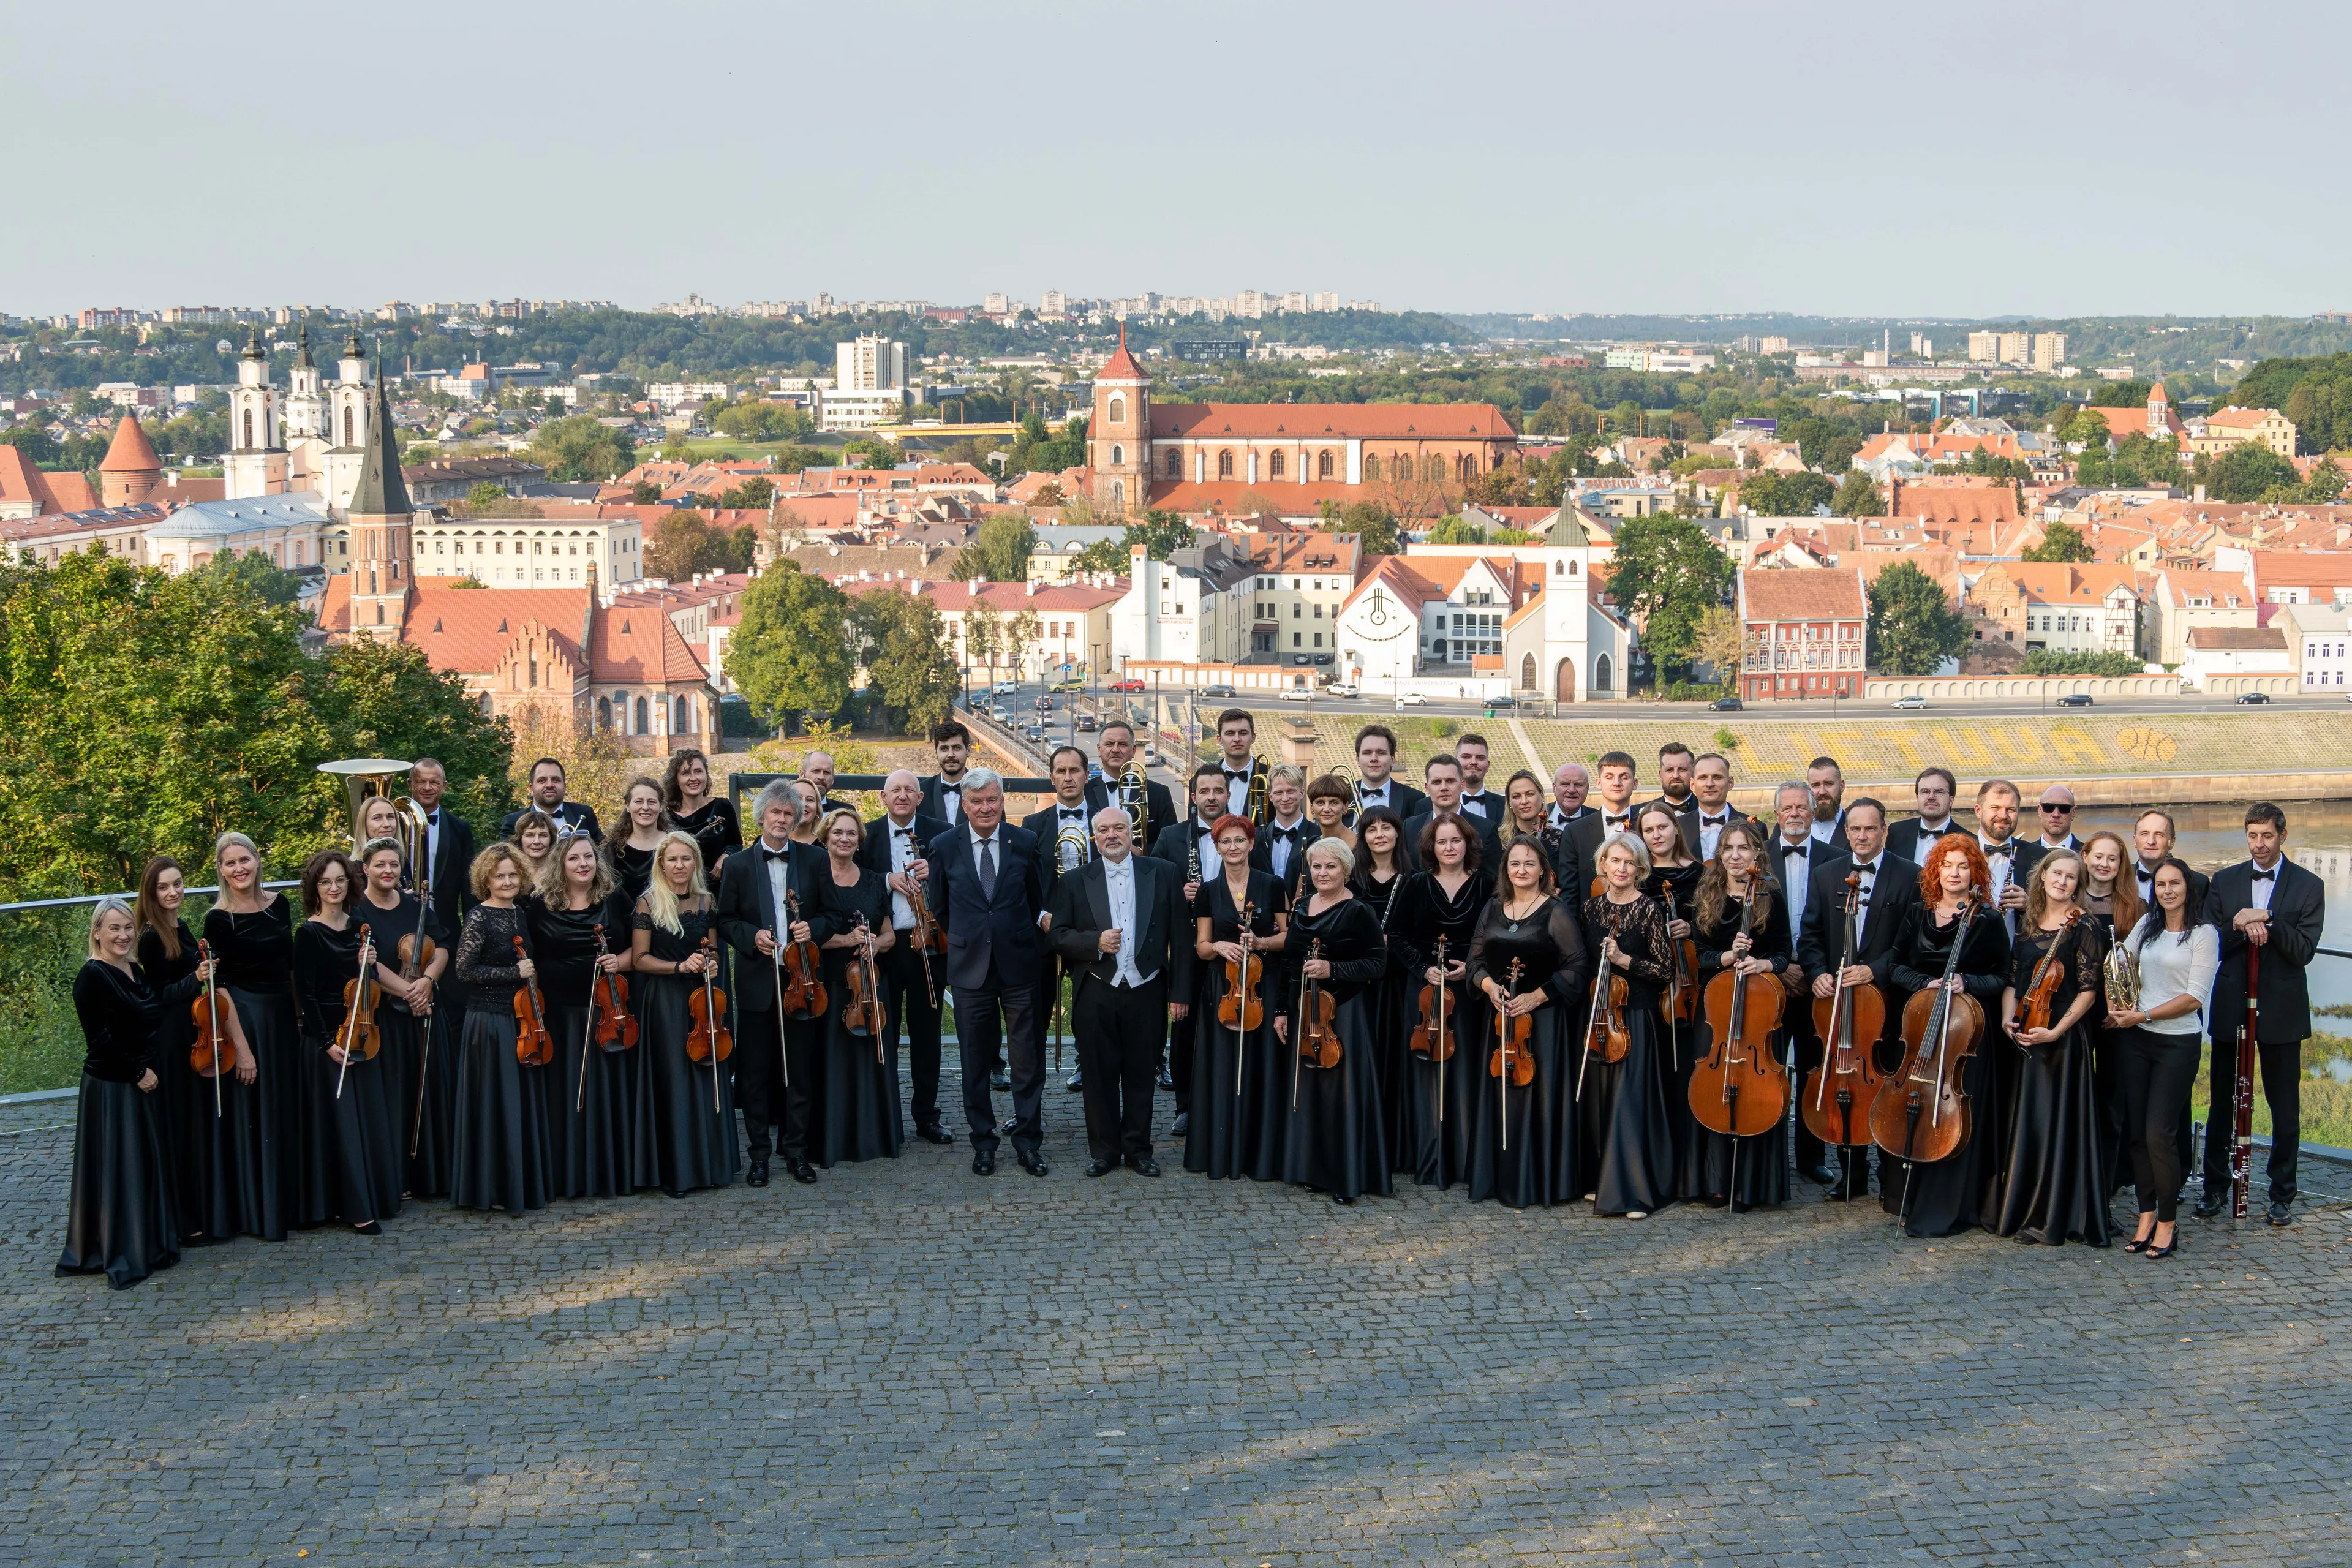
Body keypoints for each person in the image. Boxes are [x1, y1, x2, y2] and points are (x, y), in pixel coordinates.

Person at [58, 897, 207, 1288]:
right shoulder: (92, 976)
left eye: (127, 928)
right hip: (113, 1088)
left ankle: (151, 1240)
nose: (123, 936)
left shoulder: (134, 969)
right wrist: (138, 1072)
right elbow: (100, 1041)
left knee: (141, 1166)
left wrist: (196, 980)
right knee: (121, 1169)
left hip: (144, 1082)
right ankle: (124, 1247)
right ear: (97, 933)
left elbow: (154, 1009)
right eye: (113, 929)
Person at [2196, 802, 2324, 1227]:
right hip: (2232, 1003)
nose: (2259, 844)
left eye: (2267, 836)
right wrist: (2241, 925)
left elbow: (2303, 950)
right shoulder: (2225, 880)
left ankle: (2281, 1195)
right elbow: (2211, 940)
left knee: (2285, 1107)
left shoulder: (2310, 885)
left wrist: (2268, 918)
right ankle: (2215, 1188)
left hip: (2283, 1009)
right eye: (2252, 836)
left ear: (2282, 836)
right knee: (2222, 1102)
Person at [1050, 805, 1195, 1177]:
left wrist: (1179, 993)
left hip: (1147, 988)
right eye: (1103, 830)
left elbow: (1180, 938)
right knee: (1097, 1076)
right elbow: (1058, 935)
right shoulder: (1075, 880)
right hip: (1096, 990)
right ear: (1094, 837)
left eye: (1119, 828)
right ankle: (1104, 1152)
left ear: (1132, 833)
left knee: (1141, 1073)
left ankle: (1138, 1149)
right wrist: (1095, 942)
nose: (1111, 835)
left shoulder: (1163, 873)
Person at [1883, 835, 2012, 1236]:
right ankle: (1908, 1194)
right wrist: (1928, 982)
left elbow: (2003, 976)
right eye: (1947, 865)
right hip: (1923, 1027)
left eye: (1963, 866)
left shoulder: (1987, 920)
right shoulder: (1917, 913)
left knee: (1959, 1113)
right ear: (1935, 870)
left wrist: (1965, 981)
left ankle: (1958, 1204)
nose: (1954, 873)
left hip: (1965, 1035)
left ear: (1975, 873)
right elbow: (1894, 966)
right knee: (1916, 1109)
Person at [1793, 797, 1920, 1200]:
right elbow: (1810, 935)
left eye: (1870, 829)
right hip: (1838, 1003)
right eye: (1854, 829)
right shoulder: (1826, 873)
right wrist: (1817, 975)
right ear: (1845, 832)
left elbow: (1911, 942)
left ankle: (1888, 1176)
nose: (1862, 836)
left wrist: (1876, 970)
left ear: (1885, 831)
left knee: (1884, 1085)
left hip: (1889, 1001)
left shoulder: (1910, 876)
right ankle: (1851, 1174)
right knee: (1845, 1083)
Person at [925, 767, 1051, 1177]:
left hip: (1020, 966)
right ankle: (983, 1143)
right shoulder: (944, 845)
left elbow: (1037, 901)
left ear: (1002, 800)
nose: (985, 808)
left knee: (1026, 1060)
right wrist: (968, 939)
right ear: (965, 805)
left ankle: (1028, 1143)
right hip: (969, 970)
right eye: (976, 801)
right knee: (975, 1062)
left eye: (992, 800)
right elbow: (940, 907)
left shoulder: (1025, 842)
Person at [134, 856, 254, 1247]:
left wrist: (205, 970)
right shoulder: (150, 937)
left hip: (193, 1034)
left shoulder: (180, 926)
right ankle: (184, 1221)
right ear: (151, 893)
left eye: (178, 884)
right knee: (181, 1129)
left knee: (196, 1126)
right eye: (164, 887)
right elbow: (155, 997)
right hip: (170, 1042)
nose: (173, 892)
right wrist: (196, 978)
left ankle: (203, 1212)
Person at [1994, 850, 2112, 1247]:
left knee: (2055, 1126)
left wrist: (2056, 1031)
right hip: (2025, 1033)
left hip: (2061, 1041)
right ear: (2042, 877)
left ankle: (2052, 1218)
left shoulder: (2085, 926)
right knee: (2029, 1124)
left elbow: (2089, 991)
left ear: (2078, 885)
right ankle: (2021, 1207)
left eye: (2070, 877)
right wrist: (2007, 1021)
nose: (2062, 881)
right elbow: (2013, 980)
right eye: (2056, 873)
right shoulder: (2027, 924)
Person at [1464, 839, 1588, 1209]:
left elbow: (1578, 967)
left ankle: (1539, 1181)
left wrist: (1536, 996)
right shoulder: (1492, 908)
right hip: (1501, 1021)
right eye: (1514, 864)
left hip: (1543, 1025)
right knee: (1503, 1096)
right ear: (1505, 870)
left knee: (1540, 1099)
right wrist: (1488, 986)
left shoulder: (1556, 911)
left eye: (1529, 864)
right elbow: (1475, 961)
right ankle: (1497, 1177)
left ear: (1543, 871)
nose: (1521, 870)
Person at [2106, 859, 2218, 1261]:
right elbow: (2118, 964)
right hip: (2136, 1039)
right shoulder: (2148, 925)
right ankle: (2146, 1216)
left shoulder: (2203, 935)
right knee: (2137, 1134)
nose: (2167, 890)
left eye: (2174, 883)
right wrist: (2117, 1002)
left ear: (2189, 887)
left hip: (2177, 1043)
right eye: (2160, 884)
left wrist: (2145, 1013)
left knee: (2160, 1134)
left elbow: (2194, 997)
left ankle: (2168, 1222)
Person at [290, 849, 402, 1234]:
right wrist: (326, 1045)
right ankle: (352, 1208)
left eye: (340, 880)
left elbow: (367, 989)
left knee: (367, 1120)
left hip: (362, 1033)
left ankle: (373, 1196)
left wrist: (370, 964)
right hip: (327, 1042)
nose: (334, 888)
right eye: (326, 882)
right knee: (340, 1126)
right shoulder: (307, 933)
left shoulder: (359, 928)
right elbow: (305, 996)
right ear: (315, 888)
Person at [717, 782, 820, 1187]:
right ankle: (758, 1155)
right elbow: (725, 921)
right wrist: (751, 937)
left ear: (797, 819)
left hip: (802, 979)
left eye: (788, 814)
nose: (781, 819)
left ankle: (796, 1151)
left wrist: (815, 927)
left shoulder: (814, 859)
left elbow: (830, 913)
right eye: (775, 813)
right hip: (759, 981)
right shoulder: (740, 865)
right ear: (761, 818)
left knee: (799, 1071)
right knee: (756, 1075)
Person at [1277, 839, 1391, 1205]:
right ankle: (1315, 1169)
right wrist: (1282, 1009)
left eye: (1331, 867)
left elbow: (1378, 964)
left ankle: (1347, 1175)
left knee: (1342, 1095)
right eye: (1316, 867)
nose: (1322, 874)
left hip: (1346, 1013)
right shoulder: (1301, 907)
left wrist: (1333, 969)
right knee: (1310, 1092)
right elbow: (1290, 964)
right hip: (1306, 1012)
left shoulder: (1359, 911)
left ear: (1346, 870)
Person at [1689, 820, 1794, 1212]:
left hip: (1761, 1011)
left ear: (1757, 855)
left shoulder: (1770, 896)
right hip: (1717, 1008)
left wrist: (1764, 963)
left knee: (1758, 1091)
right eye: (1729, 848)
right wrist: (1726, 957)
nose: (1736, 856)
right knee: (1714, 1087)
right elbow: (1697, 955)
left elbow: (1785, 953)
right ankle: (1716, 1181)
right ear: (1720, 854)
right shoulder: (1706, 894)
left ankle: (1752, 1185)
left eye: (1744, 849)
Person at [528, 831, 639, 1199]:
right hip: (561, 1015)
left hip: (607, 1012)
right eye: (574, 858)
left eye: (589, 857)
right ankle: (567, 1176)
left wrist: (619, 962)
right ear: (561, 863)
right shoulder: (540, 905)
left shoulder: (614, 898)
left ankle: (609, 1173)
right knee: (566, 1096)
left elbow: (637, 951)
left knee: (605, 1094)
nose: (583, 864)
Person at [632, 829, 738, 1197]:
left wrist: (710, 963)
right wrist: (680, 967)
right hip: (665, 1003)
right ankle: (676, 1173)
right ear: (661, 863)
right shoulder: (647, 902)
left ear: (696, 862)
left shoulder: (707, 901)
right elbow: (642, 960)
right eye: (672, 859)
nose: (680, 865)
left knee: (705, 1076)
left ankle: (711, 1166)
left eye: (686, 858)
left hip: (702, 1001)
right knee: (675, 1082)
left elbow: (712, 951)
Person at [450, 844, 552, 1215]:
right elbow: (465, 971)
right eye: (500, 876)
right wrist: (514, 973)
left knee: (518, 1102)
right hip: (489, 1022)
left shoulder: (519, 914)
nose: (507, 881)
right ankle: (491, 1189)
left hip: (522, 1020)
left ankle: (519, 1185)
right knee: (495, 1104)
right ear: (486, 880)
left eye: (513, 875)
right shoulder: (478, 916)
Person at [203, 831, 295, 1241]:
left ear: (258, 861)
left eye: (245, 860)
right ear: (221, 870)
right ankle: (258, 1212)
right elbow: (219, 989)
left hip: (281, 1017)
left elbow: (290, 967)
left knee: (283, 1109)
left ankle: (288, 1206)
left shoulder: (281, 906)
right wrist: (241, 1049)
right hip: (244, 1019)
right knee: (252, 1115)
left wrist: (299, 1018)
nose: (239, 869)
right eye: (230, 863)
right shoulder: (217, 918)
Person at [1387, 815, 1490, 1186]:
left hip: (1467, 993)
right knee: (1426, 1073)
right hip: (1425, 991)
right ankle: (1428, 1158)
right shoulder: (1415, 884)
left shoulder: (1487, 885)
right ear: (1431, 846)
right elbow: (1396, 937)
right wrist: (1424, 969)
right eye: (1442, 841)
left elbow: (1493, 938)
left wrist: (1473, 968)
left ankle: (1462, 1159)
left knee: (1463, 1072)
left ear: (1468, 845)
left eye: (1456, 841)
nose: (1449, 847)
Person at [1580, 833, 1678, 1219]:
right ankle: (1607, 1180)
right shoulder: (1590, 910)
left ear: (1640, 869)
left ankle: (1635, 1194)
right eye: (1614, 861)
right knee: (1601, 1102)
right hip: (1599, 1015)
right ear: (1602, 864)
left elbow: (1666, 970)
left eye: (1629, 863)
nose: (1621, 869)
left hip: (1635, 1017)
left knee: (1629, 1104)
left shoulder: (1650, 910)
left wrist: (1623, 960)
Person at [1188, 813, 1289, 1180]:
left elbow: (1288, 937)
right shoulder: (1207, 892)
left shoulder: (1273, 884)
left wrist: (1260, 942)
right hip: (1223, 988)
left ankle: (1260, 1155)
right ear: (1217, 848)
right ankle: (1221, 1148)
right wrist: (1219, 945)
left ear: (1251, 844)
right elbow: (1201, 947)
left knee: (1261, 1066)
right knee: (1223, 1067)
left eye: (1239, 840)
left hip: (1263, 987)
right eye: (1225, 842)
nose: (1233, 847)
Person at [859, 769, 954, 1145]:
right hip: (884, 946)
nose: (902, 796)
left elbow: (960, 876)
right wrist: (886, 879)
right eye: (894, 790)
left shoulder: (941, 832)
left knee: (927, 1034)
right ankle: (885, 1115)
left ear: (919, 798)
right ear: (883, 797)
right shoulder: (867, 834)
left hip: (929, 944)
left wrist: (937, 870)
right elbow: (851, 877)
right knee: (884, 1031)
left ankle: (927, 1116)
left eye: (909, 791)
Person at [355, 836, 450, 1204]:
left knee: (426, 1091)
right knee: (395, 1095)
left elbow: (441, 947)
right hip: (387, 1016)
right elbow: (367, 960)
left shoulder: (416, 905)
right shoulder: (358, 911)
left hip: (425, 1008)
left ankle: (431, 1177)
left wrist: (426, 982)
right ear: (365, 868)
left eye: (394, 864)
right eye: (380, 864)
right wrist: (408, 992)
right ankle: (398, 1177)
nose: (388, 870)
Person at [808, 809, 902, 1166]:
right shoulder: (814, 879)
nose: (844, 839)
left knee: (871, 1059)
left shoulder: (876, 881)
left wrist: (876, 945)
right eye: (837, 833)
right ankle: (834, 1141)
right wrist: (846, 939)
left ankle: (872, 1138)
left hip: (869, 985)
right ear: (825, 837)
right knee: (834, 1061)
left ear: (859, 840)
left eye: (851, 834)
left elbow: (890, 933)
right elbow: (807, 936)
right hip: (831, 982)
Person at [1766, 780, 1844, 1185]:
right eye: (1788, 808)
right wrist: (1781, 968)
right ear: (1776, 815)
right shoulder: (1757, 859)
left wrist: (1814, 973)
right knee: (1772, 1068)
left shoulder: (1838, 859)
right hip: (1773, 982)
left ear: (1814, 813)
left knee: (1815, 1069)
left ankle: (1812, 1157)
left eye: (1802, 807)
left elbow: (1839, 928)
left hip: (1819, 983)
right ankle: (1771, 1155)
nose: (1795, 813)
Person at [1150, 766, 1232, 1136]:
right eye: (1205, 791)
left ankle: (1228, 1101)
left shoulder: (1244, 834)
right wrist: (1178, 892)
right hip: (1186, 948)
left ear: (1228, 796)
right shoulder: (1170, 837)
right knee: (1184, 1029)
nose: (1212, 797)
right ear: (1194, 797)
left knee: (1230, 1025)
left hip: (1231, 950)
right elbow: (1151, 890)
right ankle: (1185, 1105)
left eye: (1219, 790)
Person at [405, 757, 473, 1195]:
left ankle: (448, 1136)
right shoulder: (393, 820)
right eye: (420, 781)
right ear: (410, 784)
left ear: (444, 786)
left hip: (446, 937)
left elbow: (468, 888)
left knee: (450, 1029)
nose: (427, 787)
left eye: (434, 782)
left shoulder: (459, 828)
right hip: (402, 939)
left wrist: (468, 940)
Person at [1635, 801, 1707, 1200]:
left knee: (1689, 1079)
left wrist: (1691, 927)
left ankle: (1691, 1172)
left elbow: (1713, 927)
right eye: (1649, 830)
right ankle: (1658, 1170)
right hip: (1653, 992)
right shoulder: (1639, 878)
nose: (1657, 835)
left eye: (1663, 826)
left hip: (1690, 989)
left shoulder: (1700, 875)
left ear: (1675, 829)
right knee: (1658, 1079)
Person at [1025, 745, 1099, 1093]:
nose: (1068, 778)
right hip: (1047, 930)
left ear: (1087, 775)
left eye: (1075, 771)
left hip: (1093, 932)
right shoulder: (1032, 824)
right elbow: (1024, 883)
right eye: (1061, 771)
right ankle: (1029, 1095)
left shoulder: (1108, 819)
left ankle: (1089, 1068)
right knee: (1036, 1015)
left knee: (1090, 1010)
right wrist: (1041, 916)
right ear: (1052, 777)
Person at [2079, 828, 2144, 1197]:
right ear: (2085, 856)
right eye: (2098, 856)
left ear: (2121, 865)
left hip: (2116, 1019)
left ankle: (2108, 1179)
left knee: (2112, 1100)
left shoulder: (2135, 907)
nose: (2104, 864)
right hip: (2074, 1012)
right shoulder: (2068, 896)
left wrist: (2119, 1008)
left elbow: (2138, 966)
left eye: (2113, 858)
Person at [1403, 754, 1502, 869]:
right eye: (1437, 782)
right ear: (1427, 788)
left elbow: (1492, 880)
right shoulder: (1410, 827)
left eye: (1450, 781)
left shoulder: (1486, 829)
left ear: (1463, 785)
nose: (1444, 787)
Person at [1084, 720, 1175, 842]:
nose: (1115, 750)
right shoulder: (1084, 792)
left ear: (1133, 751)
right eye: (1110, 744)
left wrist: (1141, 851)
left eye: (1122, 744)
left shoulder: (1159, 793)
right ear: (1099, 749)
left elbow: (1172, 842)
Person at [1973, 778, 2040, 939]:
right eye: (1995, 808)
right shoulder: (1957, 853)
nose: (2003, 816)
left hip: (2018, 957)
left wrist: (2029, 905)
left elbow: (2056, 911)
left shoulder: (2038, 856)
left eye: (2011, 809)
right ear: (1978, 811)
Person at [665, 747, 741, 880]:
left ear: (706, 775)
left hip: (718, 883)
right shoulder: (667, 817)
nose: (694, 778)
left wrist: (726, 856)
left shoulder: (722, 806)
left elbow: (735, 844)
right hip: (680, 886)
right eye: (686, 773)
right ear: (676, 780)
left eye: (699, 772)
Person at [1566, 751, 1640, 886]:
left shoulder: (1647, 827)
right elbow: (1570, 889)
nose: (1616, 783)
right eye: (1609, 777)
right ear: (1599, 783)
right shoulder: (1574, 832)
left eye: (1624, 777)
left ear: (1635, 783)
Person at [1254, 764, 1320, 905]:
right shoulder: (1258, 836)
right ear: (1270, 796)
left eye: (1291, 791)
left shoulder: (1318, 836)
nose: (1285, 798)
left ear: (1302, 793)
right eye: (1279, 793)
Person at [501, 756, 603, 843]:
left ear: (565, 787)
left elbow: (602, 853)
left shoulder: (585, 814)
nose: (549, 785)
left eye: (556, 780)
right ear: (531, 789)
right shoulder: (513, 822)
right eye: (542, 781)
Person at [1885, 767, 1967, 865]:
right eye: (1925, 791)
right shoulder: (1897, 832)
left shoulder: (1968, 840)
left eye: (1939, 792)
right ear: (1917, 797)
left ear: (1951, 800)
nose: (1931, 797)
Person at [609, 775, 669, 905]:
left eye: (652, 802)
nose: (646, 807)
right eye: (639, 802)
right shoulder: (613, 849)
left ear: (661, 807)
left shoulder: (674, 843)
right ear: (628, 806)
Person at [1349, 725, 1426, 823]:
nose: (1374, 759)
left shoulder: (1414, 799)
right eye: (1367, 753)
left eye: (1381, 753)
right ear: (1358, 760)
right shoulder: (1342, 796)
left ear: (1393, 760)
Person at [1213, 708, 1270, 825]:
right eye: (1230, 733)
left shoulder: (1271, 776)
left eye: (1243, 733)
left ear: (1253, 737)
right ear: (1219, 739)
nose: (1237, 739)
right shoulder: (1203, 779)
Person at [1498, 769, 1561, 867]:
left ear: (1542, 797)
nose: (1524, 801)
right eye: (1516, 796)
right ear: (1509, 802)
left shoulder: (1560, 838)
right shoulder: (1498, 839)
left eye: (1530, 794)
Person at [1690, 753, 1747, 862]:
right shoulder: (1678, 827)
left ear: (1730, 783)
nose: (1710, 784)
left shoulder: (1755, 827)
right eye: (1703, 778)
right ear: (1692, 785)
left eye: (1717, 777)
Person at [919, 719, 975, 826]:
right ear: (936, 753)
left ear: (968, 751)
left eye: (957, 748)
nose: (950, 755)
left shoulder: (984, 790)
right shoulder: (921, 793)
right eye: (944, 749)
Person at [1806, 756, 1851, 853]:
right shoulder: (1788, 826)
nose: (1822, 792)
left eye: (1829, 784)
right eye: (1816, 785)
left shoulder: (1856, 828)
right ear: (1808, 788)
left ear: (1841, 786)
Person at [1455, 733, 1503, 820]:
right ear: (1455, 763)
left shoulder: (1506, 806)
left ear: (1488, 766)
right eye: (1466, 757)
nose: (1473, 762)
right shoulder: (1431, 805)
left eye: (1480, 758)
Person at [1305, 774, 1356, 855]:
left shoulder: (1362, 844)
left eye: (1334, 802)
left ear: (1346, 807)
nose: (1326, 809)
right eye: (1320, 803)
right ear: (1312, 808)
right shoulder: (1310, 845)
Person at [509, 807, 559, 888]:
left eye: (543, 836)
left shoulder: (561, 871)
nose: (537, 842)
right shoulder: (510, 871)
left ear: (551, 839)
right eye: (530, 835)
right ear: (520, 839)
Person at [799, 750, 856, 816]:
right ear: (802, 774)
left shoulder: (847, 812)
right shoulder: (787, 808)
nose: (821, 777)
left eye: (827, 773)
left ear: (833, 779)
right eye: (816, 771)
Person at [2035, 786, 2082, 852]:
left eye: (2064, 808)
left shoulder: (2088, 855)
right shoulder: (2022, 855)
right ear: (2040, 811)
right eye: (2049, 808)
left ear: (2073, 812)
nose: (2056, 815)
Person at [1547, 761, 1592, 831]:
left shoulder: (1599, 819)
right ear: (1554, 788)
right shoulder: (1537, 816)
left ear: (1587, 789)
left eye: (1578, 785)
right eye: (1565, 784)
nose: (1572, 790)